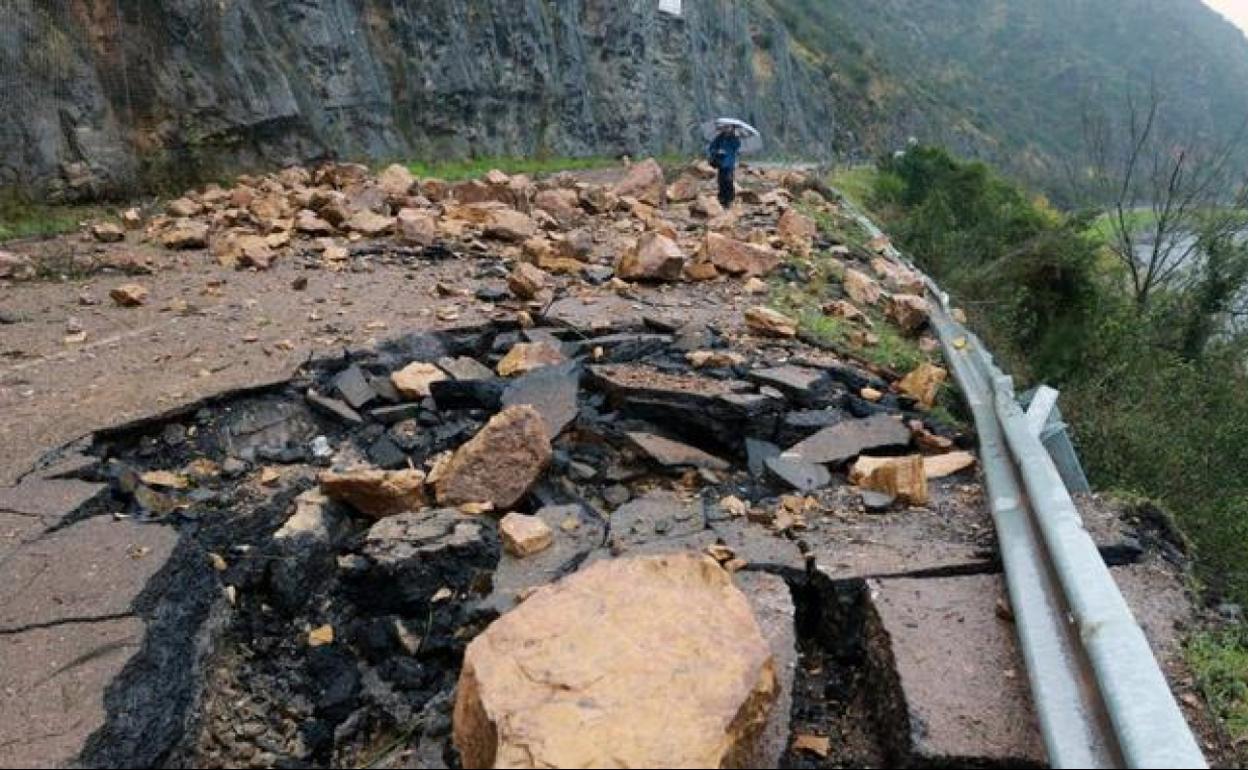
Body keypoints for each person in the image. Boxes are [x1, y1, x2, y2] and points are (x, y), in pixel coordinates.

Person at [707, 125, 742, 208]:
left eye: (729, 127)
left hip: (729, 164)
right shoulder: (719, 138)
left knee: (728, 181)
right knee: (721, 181)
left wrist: (737, 137)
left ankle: (730, 199)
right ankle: (722, 199)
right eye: (725, 127)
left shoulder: (734, 138)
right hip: (720, 163)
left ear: (733, 128)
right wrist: (717, 151)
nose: (727, 129)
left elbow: (737, 147)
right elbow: (711, 148)